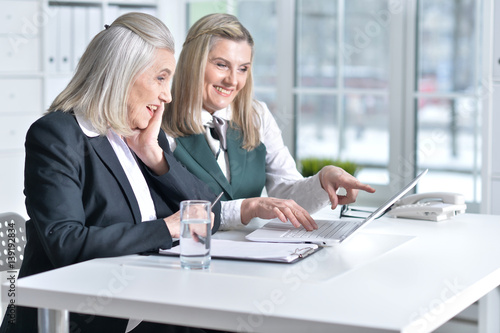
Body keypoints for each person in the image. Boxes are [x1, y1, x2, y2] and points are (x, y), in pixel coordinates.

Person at [0, 12, 224, 333]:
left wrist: (154, 156)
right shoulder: (57, 135)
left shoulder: (145, 135)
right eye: (160, 78)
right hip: (76, 318)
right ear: (121, 73)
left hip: (149, 304)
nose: (167, 96)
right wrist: (168, 228)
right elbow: (66, 243)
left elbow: (208, 215)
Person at [162, 13, 375, 231]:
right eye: (221, 65)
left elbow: (287, 192)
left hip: (251, 253)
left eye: (242, 68)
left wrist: (323, 180)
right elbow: (167, 211)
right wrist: (248, 208)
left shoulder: (256, 115)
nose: (233, 80)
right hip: (189, 253)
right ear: (192, 63)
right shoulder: (159, 122)